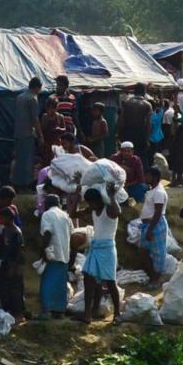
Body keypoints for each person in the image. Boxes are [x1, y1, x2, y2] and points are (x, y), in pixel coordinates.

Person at [81, 185, 121, 323]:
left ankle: (117, 314)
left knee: (110, 282)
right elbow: (73, 214)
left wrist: (111, 195)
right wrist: (75, 192)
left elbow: (117, 212)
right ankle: (88, 313)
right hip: (96, 248)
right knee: (88, 278)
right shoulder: (93, 211)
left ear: (98, 201)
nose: (89, 205)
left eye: (91, 202)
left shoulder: (108, 210)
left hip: (107, 249)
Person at [0, 205, 26, 323]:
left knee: (15, 291)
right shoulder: (4, 230)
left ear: (9, 217)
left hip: (13, 265)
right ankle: (7, 312)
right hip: (5, 264)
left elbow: (18, 251)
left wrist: (13, 267)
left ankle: (19, 314)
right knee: (4, 290)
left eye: (3, 218)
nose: (1, 220)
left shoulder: (16, 232)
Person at [38, 194, 73, 319]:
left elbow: (47, 232)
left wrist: (43, 249)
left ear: (47, 204)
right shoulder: (65, 215)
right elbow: (71, 233)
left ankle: (46, 310)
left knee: (47, 282)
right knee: (60, 284)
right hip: (64, 253)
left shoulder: (47, 214)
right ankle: (59, 311)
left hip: (52, 253)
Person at [138, 167, 170, 286]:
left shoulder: (159, 192)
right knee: (144, 252)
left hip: (155, 224)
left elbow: (158, 212)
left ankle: (156, 279)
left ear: (155, 177)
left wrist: (150, 230)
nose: (146, 178)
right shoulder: (153, 190)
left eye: (148, 176)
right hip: (148, 224)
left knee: (158, 254)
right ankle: (153, 276)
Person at [12, 77, 44, 188]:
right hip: (28, 133)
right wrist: (40, 135)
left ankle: (16, 183)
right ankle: (25, 184)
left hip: (18, 133)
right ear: (37, 87)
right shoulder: (32, 98)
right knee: (27, 160)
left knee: (19, 159)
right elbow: (35, 119)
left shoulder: (19, 97)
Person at [118, 84, 153, 167]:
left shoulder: (127, 103)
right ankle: (141, 175)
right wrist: (147, 139)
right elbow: (148, 124)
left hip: (127, 132)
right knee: (141, 156)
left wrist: (119, 134)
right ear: (144, 92)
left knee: (127, 154)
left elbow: (121, 120)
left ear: (134, 92)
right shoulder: (147, 105)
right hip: (141, 134)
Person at [53, 75, 82, 140]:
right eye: (57, 85)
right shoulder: (53, 98)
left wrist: (79, 130)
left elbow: (75, 115)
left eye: (60, 85)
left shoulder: (72, 98)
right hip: (58, 129)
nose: (57, 87)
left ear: (66, 86)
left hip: (69, 128)